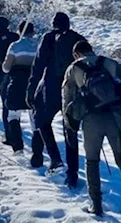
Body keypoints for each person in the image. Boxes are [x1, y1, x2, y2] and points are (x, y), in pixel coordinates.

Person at [62, 40, 121, 216]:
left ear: (76, 54)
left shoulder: (74, 68)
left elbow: (67, 96)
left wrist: (69, 122)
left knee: (92, 160)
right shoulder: (109, 62)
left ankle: (96, 204)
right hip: (115, 117)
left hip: (91, 119)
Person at [26, 12, 85, 187]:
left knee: (42, 121)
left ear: (53, 24)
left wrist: (31, 89)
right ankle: (72, 174)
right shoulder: (77, 38)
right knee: (70, 130)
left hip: (50, 87)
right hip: (72, 88)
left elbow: (38, 65)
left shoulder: (48, 38)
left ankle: (55, 159)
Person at [1, 21, 37, 153]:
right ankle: (37, 151)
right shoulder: (39, 45)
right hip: (34, 85)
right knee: (35, 119)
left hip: (17, 84)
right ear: (33, 32)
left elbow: (6, 68)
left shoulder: (15, 46)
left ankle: (18, 147)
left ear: (19, 31)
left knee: (13, 115)